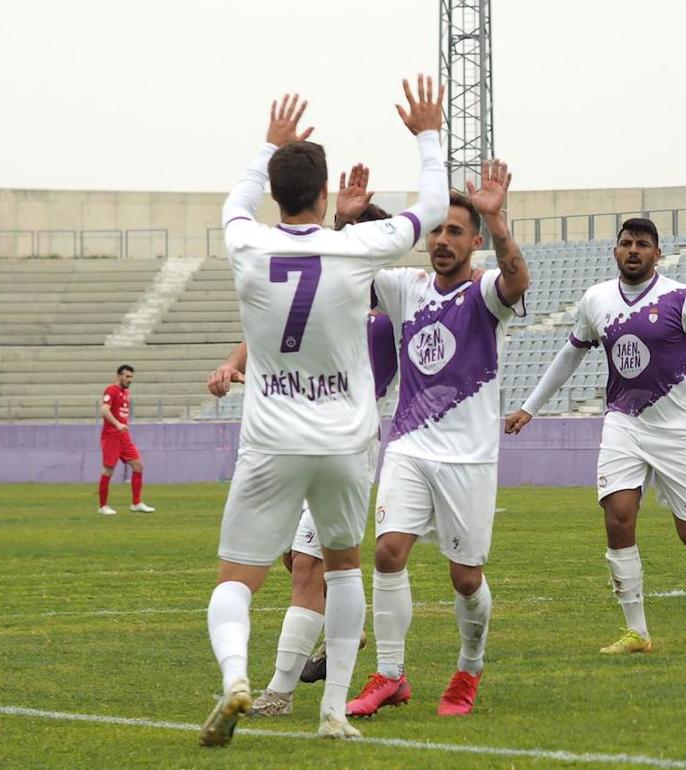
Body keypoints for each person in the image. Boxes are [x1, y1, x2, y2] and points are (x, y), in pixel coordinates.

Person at [199, 77, 448, 747]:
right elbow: (432, 205)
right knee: (342, 568)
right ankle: (333, 710)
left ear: (276, 192)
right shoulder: (354, 247)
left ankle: (234, 682)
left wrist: (268, 145)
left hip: (272, 441)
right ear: (327, 189)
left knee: (236, 581)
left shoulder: (246, 243)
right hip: (344, 443)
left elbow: (235, 202)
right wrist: (427, 132)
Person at [504, 217, 686, 655]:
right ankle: (636, 631)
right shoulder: (596, 300)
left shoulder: (683, 298)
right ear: (615, 252)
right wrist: (530, 407)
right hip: (624, 424)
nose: (634, 250)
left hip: (678, 432)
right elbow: (570, 356)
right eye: (626, 243)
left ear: (657, 253)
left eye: (643, 244)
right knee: (618, 515)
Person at [346, 158, 529, 720]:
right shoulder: (405, 289)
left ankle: (469, 668)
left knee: (464, 577)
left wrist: (499, 224)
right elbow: (353, 263)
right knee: (387, 551)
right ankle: (391, 675)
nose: (443, 241)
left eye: (455, 231)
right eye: (437, 230)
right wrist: (347, 220)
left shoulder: (485, 297)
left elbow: (516, 280)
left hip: (469, 459)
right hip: (409, 444)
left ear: (473, 239)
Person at [206, 196, 399, 720]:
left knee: (311, 565)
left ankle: (280, 690)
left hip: (345, 442)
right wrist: (231, 364)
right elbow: (266, 327)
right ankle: (339, 630)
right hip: (295, 437)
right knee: (297, 559)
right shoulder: (325, 287)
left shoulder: (395, 305)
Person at [98, 364, 154, 515]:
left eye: (131, 377)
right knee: (108, 470)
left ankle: (136, 503)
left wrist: (122, 426)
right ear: (119, 376)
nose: (130, 380)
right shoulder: (111, 390)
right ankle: (103, 507)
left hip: (124, 437)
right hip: (111, 436)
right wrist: (117, 424)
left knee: (138, 466)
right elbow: (104, 409)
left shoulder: (125, 393)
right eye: (127, 376)